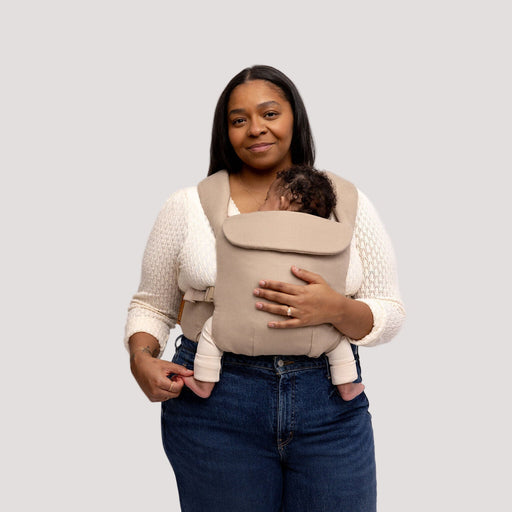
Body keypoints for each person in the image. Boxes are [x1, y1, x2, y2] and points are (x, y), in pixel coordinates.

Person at [125, 64, 405, 512]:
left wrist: (335, 309)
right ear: (226, 131)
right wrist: (141, 358)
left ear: (295, 117)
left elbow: (389, 310)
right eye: (239, 120)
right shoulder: (188, 206)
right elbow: (152, 305)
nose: (256, 128)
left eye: (270, 113)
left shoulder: (345, 202)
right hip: (216, 404)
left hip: (328, 403)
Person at [181, 165, 365, 402]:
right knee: (338, 341)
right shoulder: (331, 238)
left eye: (267, 198)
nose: (261, 206)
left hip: (243, 323)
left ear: (282, 202)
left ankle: (204, 382)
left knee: (211, 331)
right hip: (316, 330)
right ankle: (347, 386)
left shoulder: (244, 228)